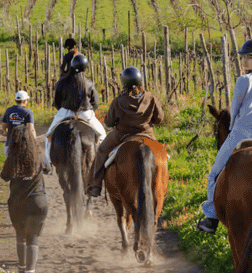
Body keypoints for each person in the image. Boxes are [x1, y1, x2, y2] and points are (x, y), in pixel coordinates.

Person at [197, 38, 252, 234]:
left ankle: (211, 218)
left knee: (214, 174)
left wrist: (234, 131)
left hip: (242, 131)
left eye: (249, 58)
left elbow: (234, 109)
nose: (243, 62)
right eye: (243, 58)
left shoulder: (244, 80)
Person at [87, 66, 165, 197]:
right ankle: (163, 184)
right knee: (162, 156)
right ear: (140, 80)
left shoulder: (118, 101)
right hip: (147, 134)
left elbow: (109, 122)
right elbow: (159, 119)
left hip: (122, 134)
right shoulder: (150, 98)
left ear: (124, 83)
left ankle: (95, 185)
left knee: (101, 150)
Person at [0, 123, 48, 273]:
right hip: (38, 202)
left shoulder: (12, 160)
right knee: (33, 238)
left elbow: (4, 177)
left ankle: (21, 267)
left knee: (20, 235)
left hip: (17, 203)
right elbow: (48, 169)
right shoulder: (39, 156)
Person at [44, 53, 107, 169]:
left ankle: (48, 164)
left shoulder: (62, 82)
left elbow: (56, 102)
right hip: (85, 114)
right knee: (102, 135)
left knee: (48, 136)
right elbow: (95, 103)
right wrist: (88, 111)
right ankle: (101, 165)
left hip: (65, 113)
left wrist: (65, 111)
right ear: (85, 67)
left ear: (72, 65)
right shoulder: (88, 83)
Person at [1, 90, 35, 156]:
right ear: (25, 101)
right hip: (23, 147)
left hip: (9, 146)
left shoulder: (8, 111)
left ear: (15, 100)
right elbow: (31, 129)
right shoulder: (28, 112)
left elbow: (4, 125)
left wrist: (5, 131)